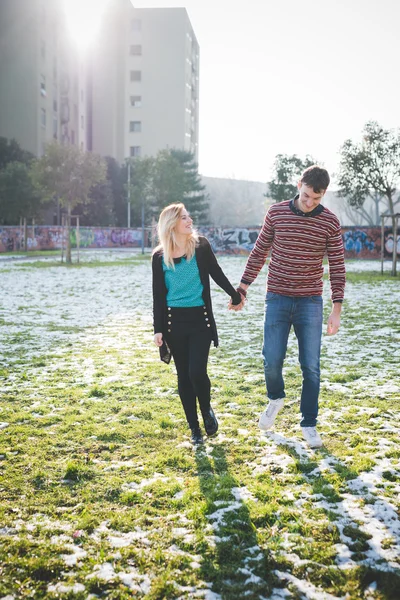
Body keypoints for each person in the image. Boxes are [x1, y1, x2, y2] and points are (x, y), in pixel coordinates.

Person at [230, 166, 345, 448]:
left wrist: (336, 309)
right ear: (299, 185)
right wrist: (242, 287)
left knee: (311, 366)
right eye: (306, 196)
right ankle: (276, 397)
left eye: (315, 200)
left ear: (323, 195)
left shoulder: (330, 222)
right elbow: (259, 251)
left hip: (310, 302)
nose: (309, 203)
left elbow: (338, 267)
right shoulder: (277, 213)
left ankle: (309, 423)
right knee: (271, 358)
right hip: (277, 298)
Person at [152, 203, 243, 445]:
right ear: (172, 224)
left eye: (188, 216)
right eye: (184, 218)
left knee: (197, 372)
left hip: (200, 320)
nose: (189, 220)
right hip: (174, 323)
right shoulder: (160, 256)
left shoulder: (200, 246)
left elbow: (216, 272)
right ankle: (194, 428)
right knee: (183, 376)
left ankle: (206, 409)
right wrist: (158, 329)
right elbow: (158, 295)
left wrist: (234, 295)